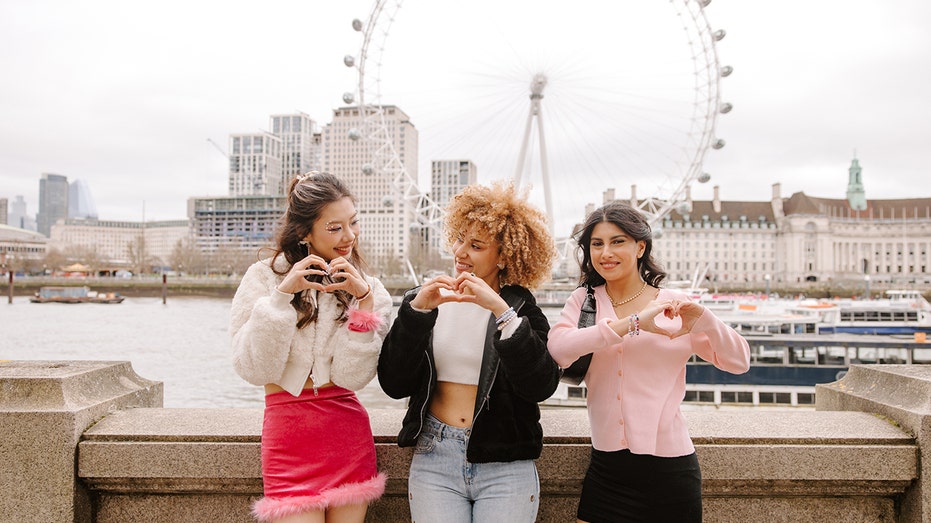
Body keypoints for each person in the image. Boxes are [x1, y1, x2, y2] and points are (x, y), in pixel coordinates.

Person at [547, 202, 751, 523]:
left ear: (640, 247)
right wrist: (632, 323)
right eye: (596, 244)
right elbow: (559, 350)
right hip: (607, 469)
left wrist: (706, 320)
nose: (605, 253)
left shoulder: (672, 304)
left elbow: (738, 362)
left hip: (671, 470)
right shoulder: (584, 300)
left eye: (618, 242)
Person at [377, 181, 561, 522]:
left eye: (476, 245)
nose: (461, 252)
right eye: (459, 238)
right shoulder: (426, 299)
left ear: (504, 256)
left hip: (506, 462)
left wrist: (501, 311)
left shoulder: (521, 307)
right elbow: (393, 382)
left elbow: (542, 384)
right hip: (435, 456)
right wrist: (417, 314)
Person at [230, 172, 392, 523]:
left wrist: (363, 304)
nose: (349, 236)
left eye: (353, 223)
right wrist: (281, 297)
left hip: (347, 436)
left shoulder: (371, 289)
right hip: (288, 437)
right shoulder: (263, 278)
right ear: (304, 232)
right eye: (335, 228)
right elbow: (254, 369)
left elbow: (353, 377)